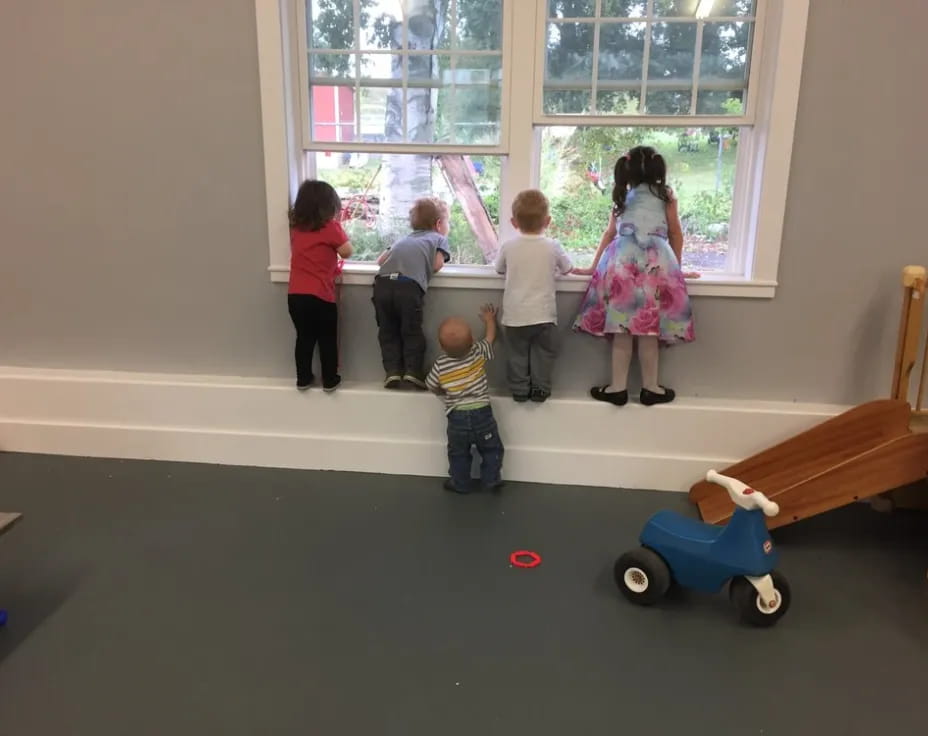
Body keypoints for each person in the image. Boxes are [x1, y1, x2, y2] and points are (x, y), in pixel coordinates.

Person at [573, 146, 697, 406]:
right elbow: (675, 233)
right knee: (648, 330)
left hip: (622, 264)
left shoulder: (622, 195)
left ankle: (617, 388)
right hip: (655, 264)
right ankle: (650, 388)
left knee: (621, 329)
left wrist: (592, 267)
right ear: (657, 169)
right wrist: (677, 270)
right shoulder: (666, 195)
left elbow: (609, 234)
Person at [494, 189, 573, 402]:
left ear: (513, 222)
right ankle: (540, 388)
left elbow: (499, 269)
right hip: (544, 315)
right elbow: (567, 268)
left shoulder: (508, 246)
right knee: (543, 354)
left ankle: (519, 389)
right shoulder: (552, 246)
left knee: (516, 355)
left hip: (515, 316)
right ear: (547, 221)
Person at [373, 197, 451, 389]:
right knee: (411, 331)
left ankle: (392, 372)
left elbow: (380, 260)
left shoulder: (404, 239)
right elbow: (437, 265)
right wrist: (420, 268)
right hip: (407, 288)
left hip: (382, 285)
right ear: (439, 224)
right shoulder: (439, 238)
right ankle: (413, 372)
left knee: (388, 331)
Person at [426, 304, 504, 494]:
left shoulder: (440, 364)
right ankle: (491, 480)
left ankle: (460, 483)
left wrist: (443, 392)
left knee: (458, 453)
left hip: (457, 417)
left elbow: (430, 384)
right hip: (482, 414)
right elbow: (490, 338)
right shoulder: (477, 352)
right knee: (491, 449)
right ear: (471, 340)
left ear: (441, 345)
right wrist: (489, 320)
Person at [288, 180, 353, 392]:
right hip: (321, 296)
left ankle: (303, 378)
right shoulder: (330, 227)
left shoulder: (296, 229)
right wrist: (340, 228)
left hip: (295, 296)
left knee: (304, 338)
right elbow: (347, 252)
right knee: (327, 338)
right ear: (329, 207)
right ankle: (330, 379)